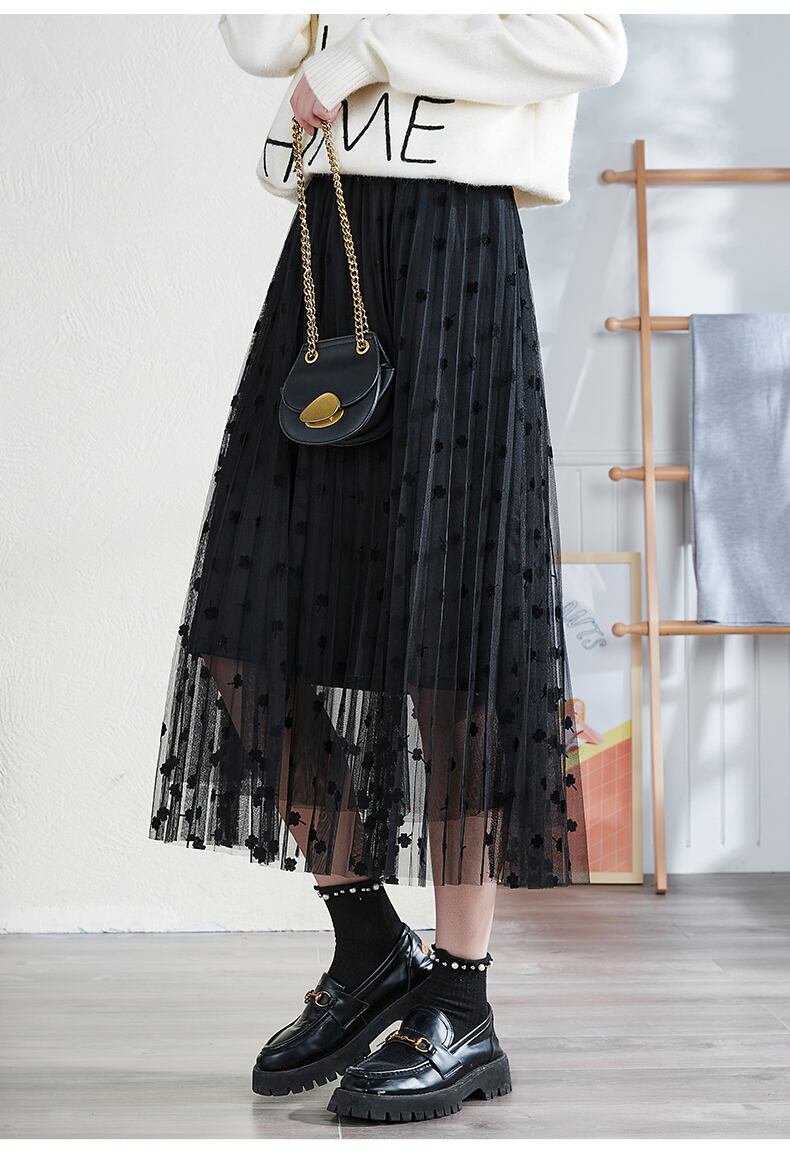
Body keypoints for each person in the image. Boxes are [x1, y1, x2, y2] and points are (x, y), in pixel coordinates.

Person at [150, 13, 628, 1123]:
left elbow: (592, 42)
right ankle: (368, 940)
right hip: (333, 244)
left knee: (449, 644)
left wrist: (358, 53)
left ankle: (461, 1001)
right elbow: (256, 41)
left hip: (457, 255)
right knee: (244, 628)